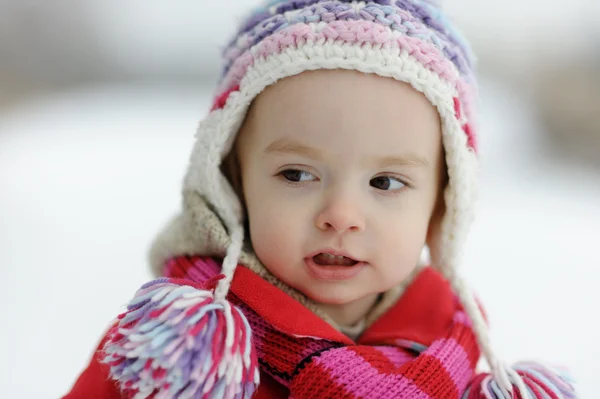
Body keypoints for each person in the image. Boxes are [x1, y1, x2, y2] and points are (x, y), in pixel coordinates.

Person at [64, 1, 576, 398]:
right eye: (297, 173)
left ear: (441, 206)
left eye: (385, 183)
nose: (341, 216)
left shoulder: (448, 348)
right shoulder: (177, 354)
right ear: (233, 182)